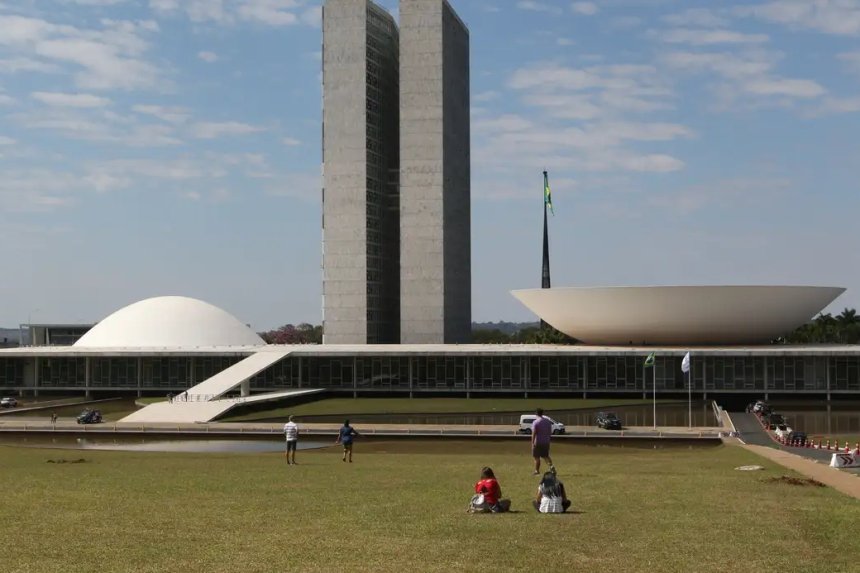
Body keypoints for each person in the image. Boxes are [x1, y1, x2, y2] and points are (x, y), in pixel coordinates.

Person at [531, 408, 554, 475]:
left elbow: (534, 433)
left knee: (536, 457)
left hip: (538, 442)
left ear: (536, 413)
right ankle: (551, 467)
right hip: (546, 442)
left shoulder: (536, 422)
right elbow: (550, 432)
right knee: (546, 456)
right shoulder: (548, 421)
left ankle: (537, 471)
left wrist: (532, 443)